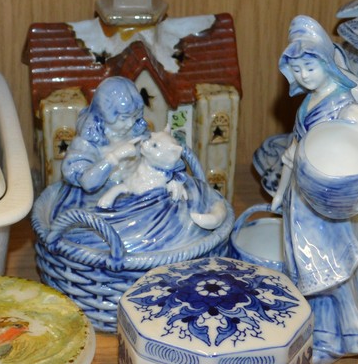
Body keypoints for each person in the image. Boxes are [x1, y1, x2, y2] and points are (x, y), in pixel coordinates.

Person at [277, 16, 358, 363]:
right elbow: (294, 150)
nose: (303, 75)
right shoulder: (309, 103)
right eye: (296, 69)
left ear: (328, 64)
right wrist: (280, 192)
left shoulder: (347, 106)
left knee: (334, 272)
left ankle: (344, 337)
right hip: (302, 203)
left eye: (309, 66)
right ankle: (315, 331)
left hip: (335, 206)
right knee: (307, 269)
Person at [46, 77, 225, 250]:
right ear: (103, 114)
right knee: (114, 234)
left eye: (134, 116)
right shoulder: (86, 144)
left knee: (183, 202)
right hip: (99, 200)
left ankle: (204, 222)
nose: (130, 123)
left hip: (141, 189)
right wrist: (114, 157)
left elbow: (163, 158)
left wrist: (174, 179)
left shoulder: (135, 131)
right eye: (123, 118)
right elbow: (88, 183)